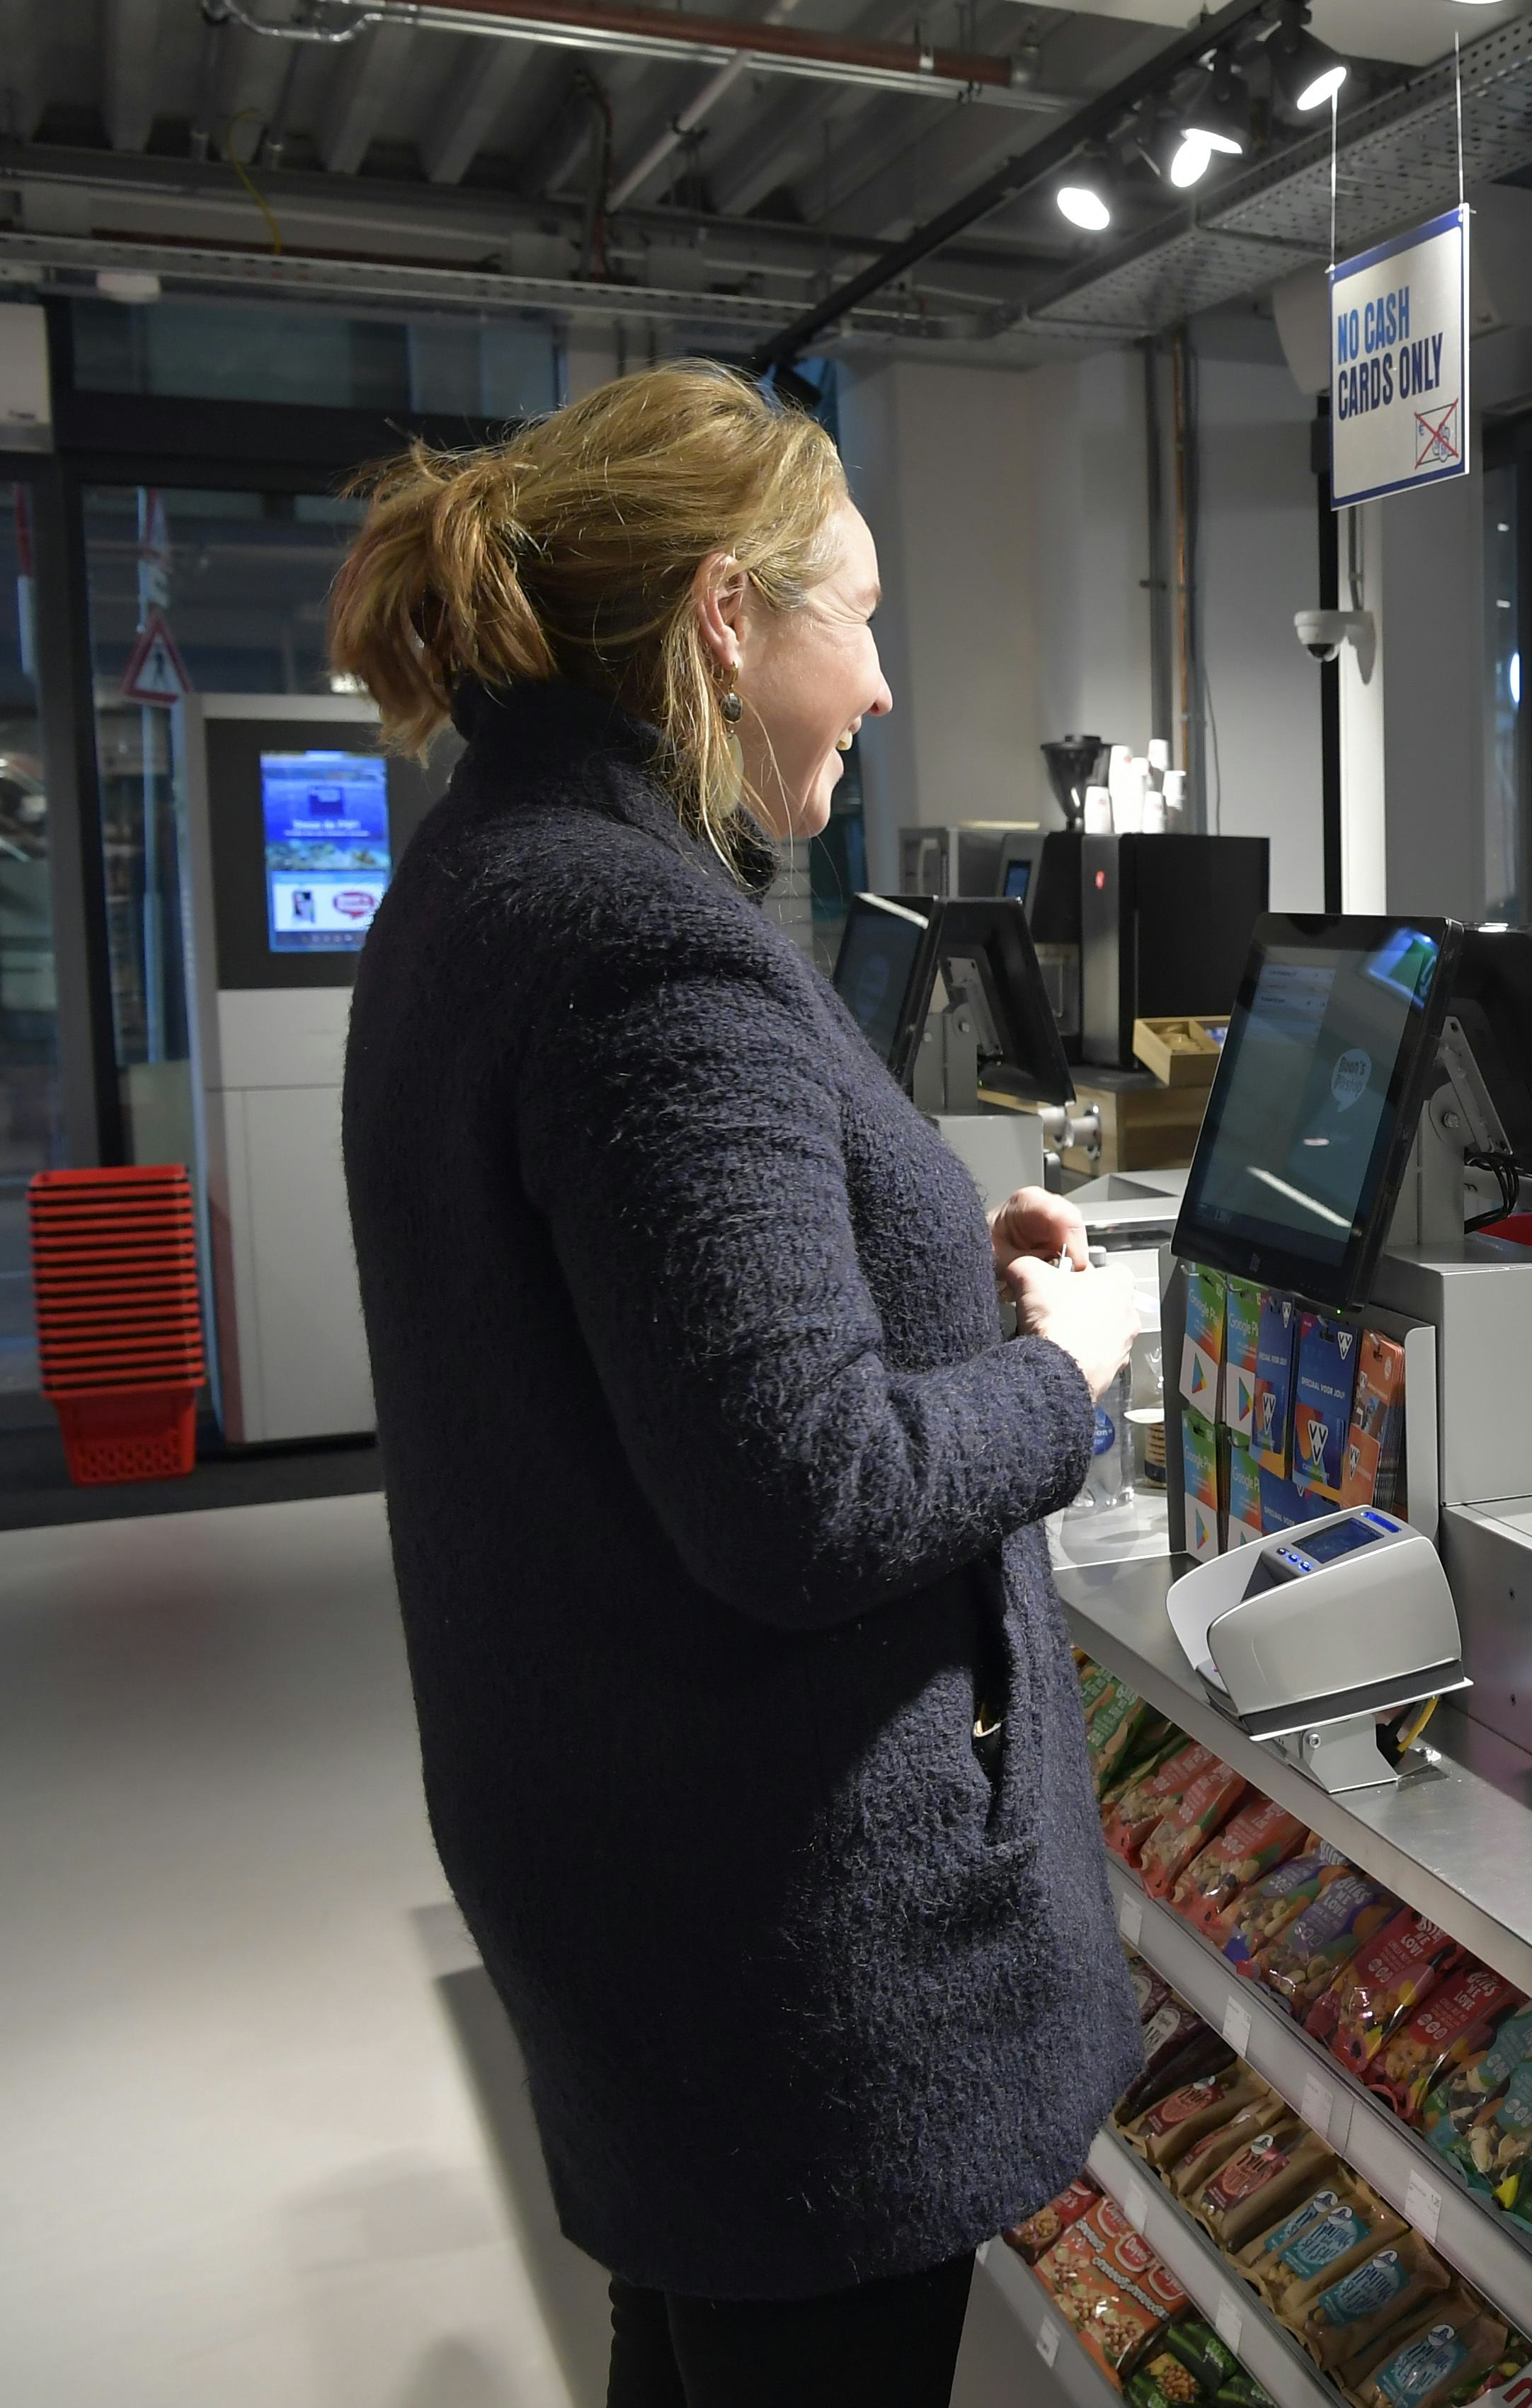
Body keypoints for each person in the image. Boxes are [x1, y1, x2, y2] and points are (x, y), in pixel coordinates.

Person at [330, 362, 1143, 2404]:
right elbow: (807, 1497)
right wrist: (1062, 1386)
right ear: (721, 615)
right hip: (781, 1933)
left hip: (619, 1854)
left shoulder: (487, 874)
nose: (876, 690)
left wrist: (929, 1283)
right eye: (854, 620)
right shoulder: (646, 947)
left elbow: (605, 1333)